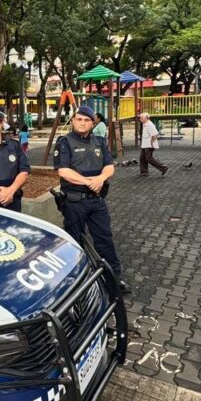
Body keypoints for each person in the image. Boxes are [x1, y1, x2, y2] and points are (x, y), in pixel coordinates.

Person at [54, 105, 128, 293]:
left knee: (104, 239)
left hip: (97, 201)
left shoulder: (100, 142)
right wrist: (89, 182)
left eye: (87, 120)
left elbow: (110, 166)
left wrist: (100, 179)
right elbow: (63, 171)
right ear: (72, 121)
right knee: (75, 242)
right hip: (74, 202)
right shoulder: (64, 142)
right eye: (79, 119)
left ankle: (113, 278)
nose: (82, 123)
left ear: (93, 123)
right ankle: (75, 282)